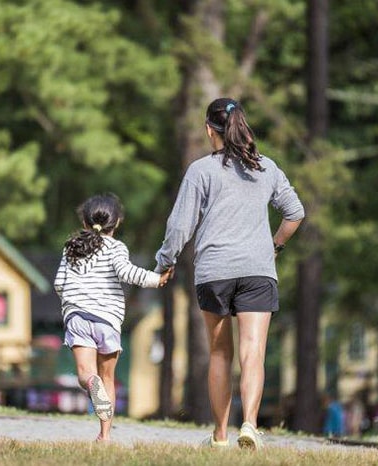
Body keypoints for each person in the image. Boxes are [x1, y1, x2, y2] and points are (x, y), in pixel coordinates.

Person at [154, 97, 305, 449]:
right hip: (257, 270)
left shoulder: (200, 171)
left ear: (210, 130)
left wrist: (165, 261)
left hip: (214, 271)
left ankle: (220, 436)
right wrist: (274, 247)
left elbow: (179, 227)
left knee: (220, 353)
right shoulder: (266, 167)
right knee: (253, 350)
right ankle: (250, 425)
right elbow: (294, 213)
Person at [54, 193, 173, 442]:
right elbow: (126, 272)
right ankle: (105, 435)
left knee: (86, 374)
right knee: (108, 378)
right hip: (107, 320)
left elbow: (58, 283)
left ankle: (91, 382)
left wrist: (71, 302)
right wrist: (156, 278)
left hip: (78, 317)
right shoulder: (116, 248)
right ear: (116, 222)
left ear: (85, 222)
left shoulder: (71, 247)